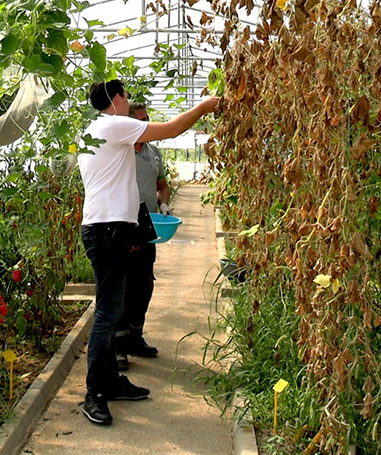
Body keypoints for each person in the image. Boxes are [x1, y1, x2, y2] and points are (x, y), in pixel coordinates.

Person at [77, 79, 220, 426]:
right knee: (108, 311)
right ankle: (95, 393)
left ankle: (110, 381)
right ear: (116, 99)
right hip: (107, 230)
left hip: (109, 228)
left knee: (112, 307)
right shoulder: (113, 124)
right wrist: (206, 106)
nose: (128, 103)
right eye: (125, 97)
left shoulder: (92, 131)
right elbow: (171, 130)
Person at [113, 102, 169, 371]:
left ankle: (136, 336)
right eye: (141, 121)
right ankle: (119, 347)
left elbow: (162, 185)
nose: (146, 125)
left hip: (148, 223)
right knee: (124, 285)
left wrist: (164, 204)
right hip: (125, 222)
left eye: (147, 119)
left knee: (145, 282)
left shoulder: (153, 152)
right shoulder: (119, 152)